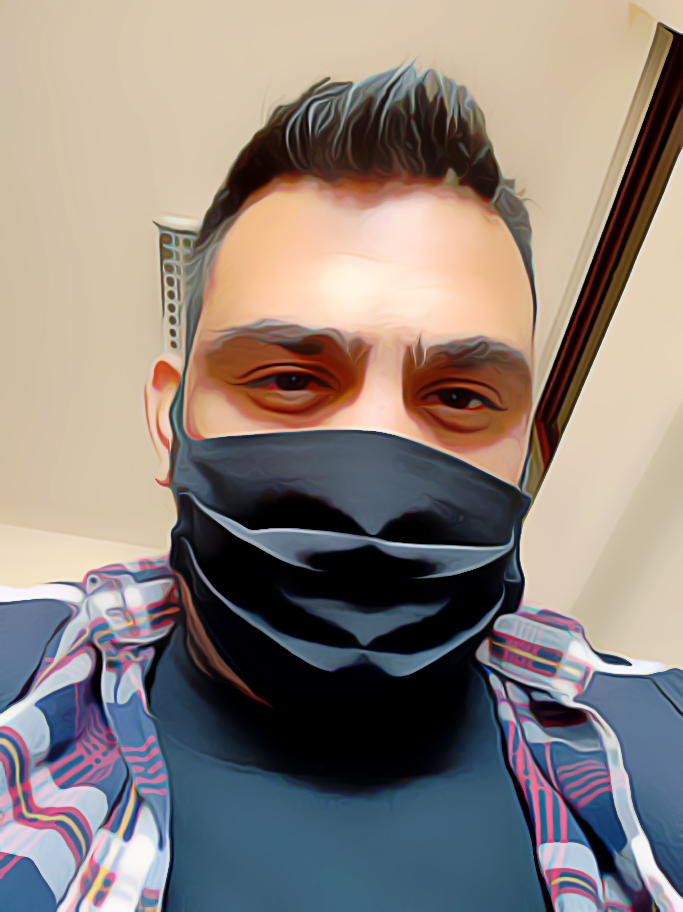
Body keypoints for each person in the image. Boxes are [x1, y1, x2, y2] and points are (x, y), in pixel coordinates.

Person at [0, 66, 681, 912]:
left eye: (460, 397)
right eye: (289, 379)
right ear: (170, 421)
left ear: (528, 460)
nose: (376, 472)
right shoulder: (21, 672)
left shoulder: (656, 733)